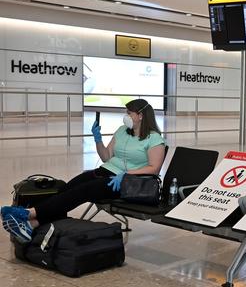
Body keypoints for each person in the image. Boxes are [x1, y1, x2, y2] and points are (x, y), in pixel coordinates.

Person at [1, 99, 165, 243]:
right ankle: (30, 226)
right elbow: (106, 157)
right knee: (66, 189)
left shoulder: (154, 138)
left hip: (125, 182)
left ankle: (27, 214)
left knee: (82, 191)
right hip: (105, 171)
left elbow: (154, 168)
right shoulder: (122, 131)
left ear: (141, 116)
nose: (126, 116)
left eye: (129, 113)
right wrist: (98, 139)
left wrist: (126, 174)